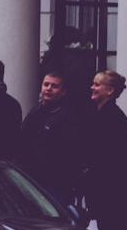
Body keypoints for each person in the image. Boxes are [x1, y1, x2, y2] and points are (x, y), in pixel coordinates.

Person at [80, 70, 127, 230]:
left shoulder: (113, 118)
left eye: (97, 84)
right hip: (108, 193)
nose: (92, 87)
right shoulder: (101, 114)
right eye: (93, 83)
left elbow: (111, 160)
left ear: (110, 90)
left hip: (114, 194)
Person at [17, 70, 84, 208]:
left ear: (63, 91)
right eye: (46, 84)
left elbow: (70, 152)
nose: (48, 89)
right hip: (31, 180)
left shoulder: (69, 117)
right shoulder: (35, 111)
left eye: (54, 86)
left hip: (56, 184)